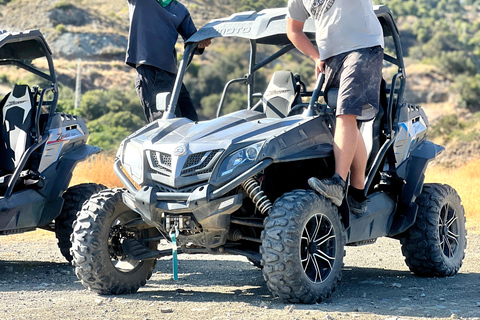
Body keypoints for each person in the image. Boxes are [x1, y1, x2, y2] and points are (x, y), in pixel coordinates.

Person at [286, 0, 384, 215]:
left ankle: (339, 183)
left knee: (345, 114)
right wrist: (315, 56)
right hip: (331, 56)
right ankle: (358, 192)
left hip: (362, 47)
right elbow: (293, 30)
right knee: (343, 121)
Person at [125, 0, 211, 123]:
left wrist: (202, 43)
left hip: (173, 76)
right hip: (150, 72)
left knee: (193, 124)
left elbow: (194, 41)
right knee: (166, 128)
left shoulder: (180, 10)